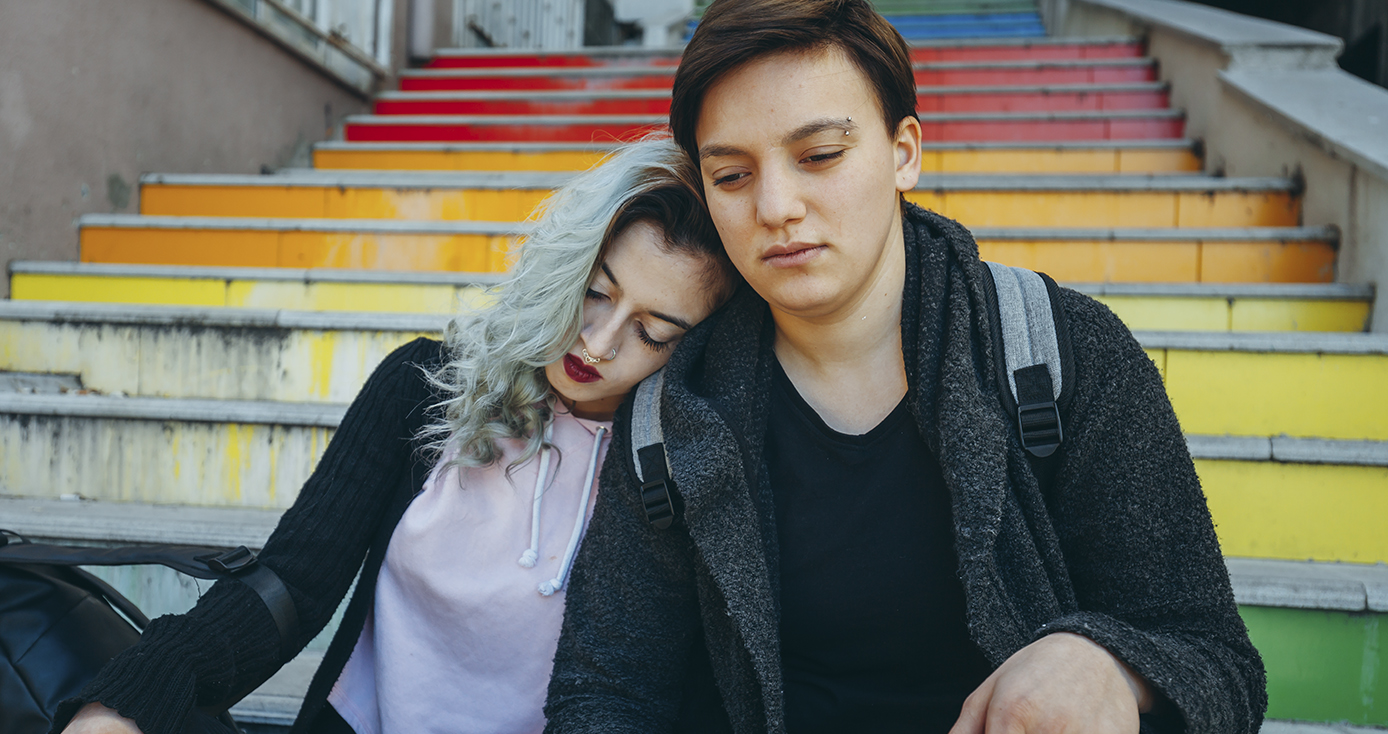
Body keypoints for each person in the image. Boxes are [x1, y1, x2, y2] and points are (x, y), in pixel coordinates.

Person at [544, 1, 1267, 733]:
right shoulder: (674, 414)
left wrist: (1111, 664)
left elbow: (1218, 664)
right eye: (731, 176)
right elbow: (605, 692)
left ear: (903, 152)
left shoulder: (1059, 352)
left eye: (820, 155)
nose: (776, 206)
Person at [54, 136, 736, 734]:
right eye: (595, 291)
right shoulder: (423, 385)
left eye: (653, 333)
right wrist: (128, 702)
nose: (601, 341)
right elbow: (292, 582)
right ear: (565, 264)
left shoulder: (671, 465)